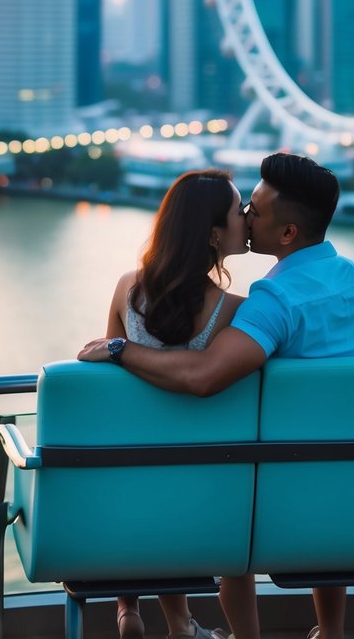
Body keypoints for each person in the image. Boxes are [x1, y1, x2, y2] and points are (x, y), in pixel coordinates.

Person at [80, 153, 354, 639]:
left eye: (254, 208)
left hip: (281, 504)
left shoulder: (273, 302)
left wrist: (120, 350)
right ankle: (332, 630)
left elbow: (205, 376)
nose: (248, 216)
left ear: (288, 234)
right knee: (324, 463)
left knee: (261, 482)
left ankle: (184, 622)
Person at [101, 168, 249, 639]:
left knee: (147, 463)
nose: (246, 216)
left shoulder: (127, 289)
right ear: (212, 234)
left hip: (130, 493)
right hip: (208, 497)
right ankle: (203, 628)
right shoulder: (235, 312)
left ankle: (130, 611)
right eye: (237, 209)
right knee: (196, 471)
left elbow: (111, 390)